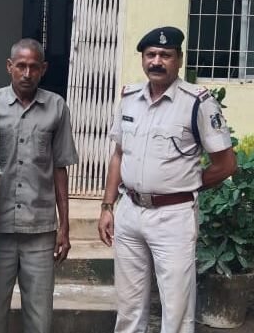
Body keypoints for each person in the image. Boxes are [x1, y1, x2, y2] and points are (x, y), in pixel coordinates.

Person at [97, 26, 237, 333]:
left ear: (179, 59)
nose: (157, 61)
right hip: (129, 211)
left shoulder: (198, 102)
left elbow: (226, 164)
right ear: (143, 59)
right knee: (129, 306)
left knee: (176, 309)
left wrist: (185, 184)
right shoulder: (129, 98)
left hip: (173, 217)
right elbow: (119, 154)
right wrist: (108, 206)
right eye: (151, 55)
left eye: (165, 55)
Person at [0, 38, 79, 333]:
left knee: (39, 317)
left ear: (43, 69)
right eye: (21, 66)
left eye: (34, 67)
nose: (27, 73)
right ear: (9, 66)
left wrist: (64, 226)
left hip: (40, 230)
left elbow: (60, 168)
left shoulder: (56, 107)